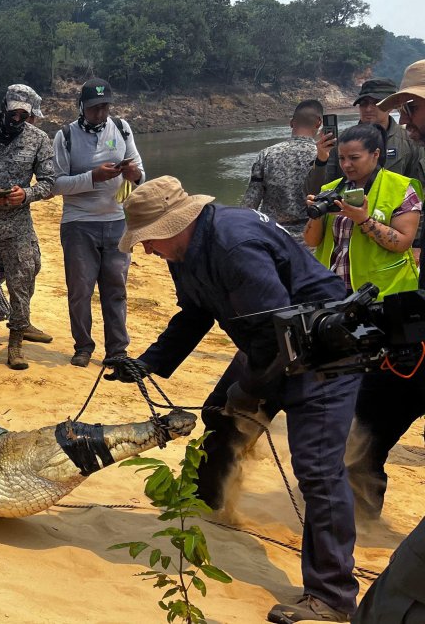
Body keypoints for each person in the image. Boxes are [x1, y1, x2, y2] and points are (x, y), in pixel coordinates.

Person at [113, 176, 361, 623]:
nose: (147, 250)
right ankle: (209, 507)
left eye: (148, 241)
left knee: (318, 470)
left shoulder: (233, 244)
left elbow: (274, 329)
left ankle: (332, 595)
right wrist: (147, 363)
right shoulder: (185, 250)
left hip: (322, 350)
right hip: (271, 342)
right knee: (220, 416)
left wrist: (250, 393)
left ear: (174, 224)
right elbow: (194, 313)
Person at [349, 58, 425, 624]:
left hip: (411, 324)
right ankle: (363, 520)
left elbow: (404, 244)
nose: (408, 119)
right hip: (405, 324)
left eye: (413, 107)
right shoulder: (416, 161)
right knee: (367, 428)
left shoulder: (405, 182)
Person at [52, 78, 145, 367]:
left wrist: (133, 174)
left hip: (116, 222)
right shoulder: (64, 136)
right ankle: (83, 346)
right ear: (81, 107)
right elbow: (56, 184)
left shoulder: (122, 127)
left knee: (116, 288)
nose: (101, 114)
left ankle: (117, 350)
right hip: (79, 223)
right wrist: (94, 177)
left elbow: (140, 173)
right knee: (80, 290)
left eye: (105, 107)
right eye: (94, 108)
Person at [0, 84, 56, 370]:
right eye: (13, 111)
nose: (17, 118)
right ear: (4, 106)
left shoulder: (39, 139)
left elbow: (50, 182)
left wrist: (25, 194)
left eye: (23, 114)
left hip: (19, 229)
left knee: (21, 285)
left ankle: (15, 343)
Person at [303, 123, 421, 295]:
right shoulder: (331, 189)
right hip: (333, 290)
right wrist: (316, 215)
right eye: (342, 158)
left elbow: (402, 243)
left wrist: (363, 220)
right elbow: (311, 241)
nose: (346, 165)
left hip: (383, 293)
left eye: (354, 158)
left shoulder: (401, 188)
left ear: (375, 154)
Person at [305, 78, 424, 199]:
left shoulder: (410, 140)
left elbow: (419, 188)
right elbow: (315, 192)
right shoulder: (341, 142)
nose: (368, 109)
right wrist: (321, 161)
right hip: (348, 212)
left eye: (376, 103)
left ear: (390, 106)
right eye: (364, 103)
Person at [242, 100, 322, 243]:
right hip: (312, 238)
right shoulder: (324, 157)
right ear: (319, 123)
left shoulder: (266, 155)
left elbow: (249, 204)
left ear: (291, 123)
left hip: (273, 237)